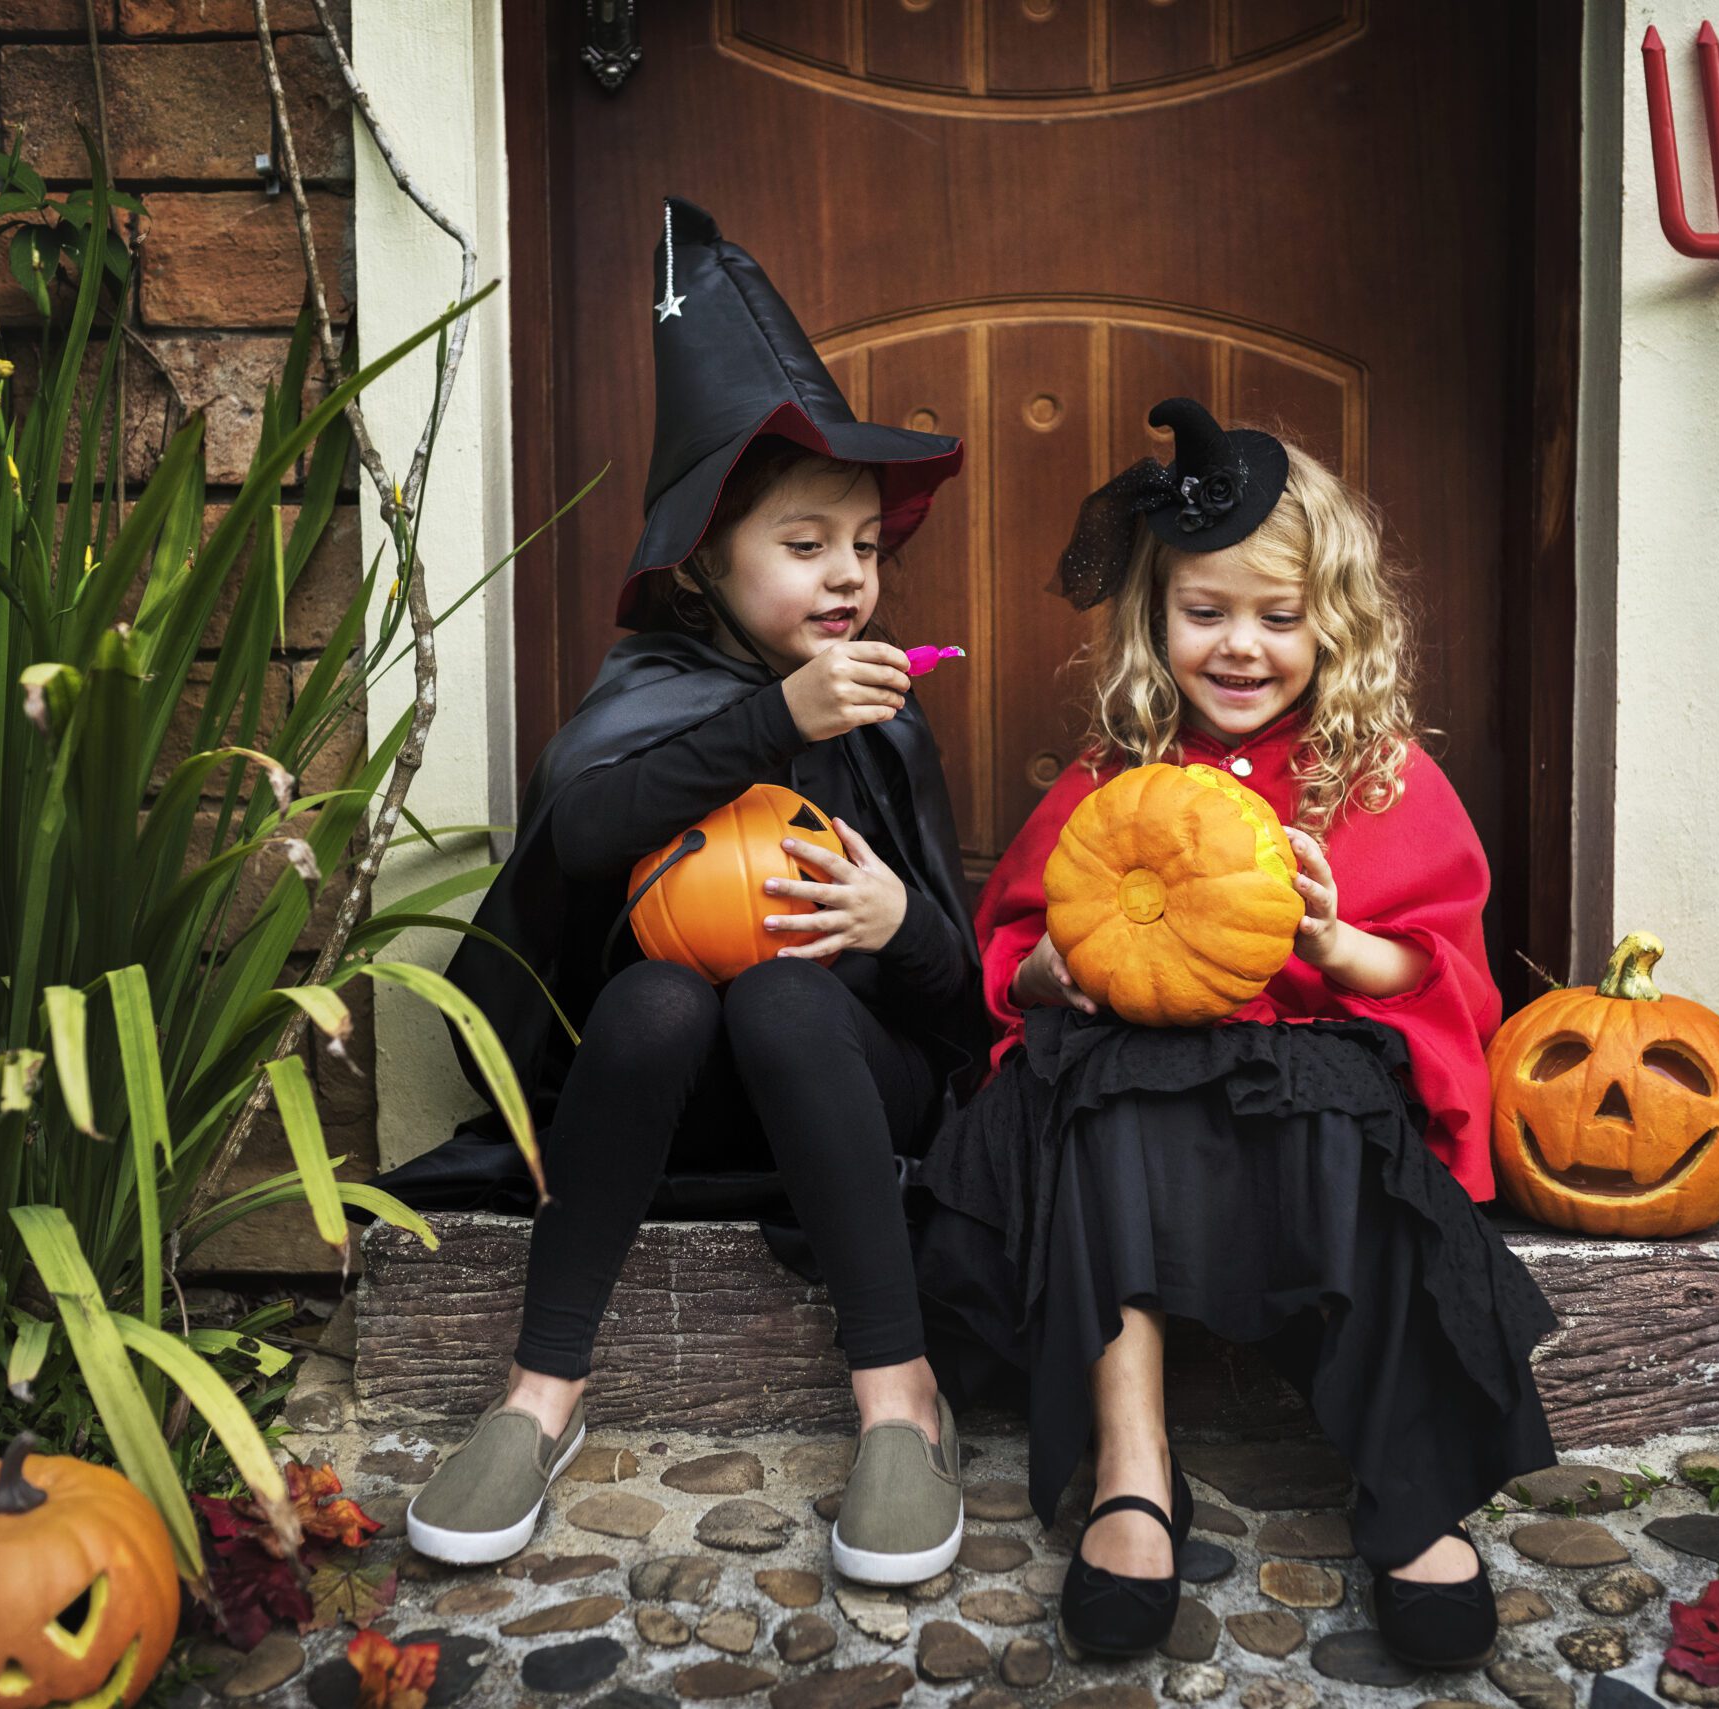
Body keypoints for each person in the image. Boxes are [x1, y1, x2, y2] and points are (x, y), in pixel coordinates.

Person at [381, 199, 984, 1583]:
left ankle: (900, 1397)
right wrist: (778, 720)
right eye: (804, 542)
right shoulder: (654, 695)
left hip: (842, 1077)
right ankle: (544, 1391)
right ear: (707, 557)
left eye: (867, 547)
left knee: (781, 990)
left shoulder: (889, 721)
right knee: (657, 993)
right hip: (666, 1099)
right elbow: (586, 830)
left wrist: (902, 928)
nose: (848, 574)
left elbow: (955, 1007)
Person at [916, 399, 1559, 1664]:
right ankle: (1132, 1462)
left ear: (1337, 620)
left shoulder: (1374, 774)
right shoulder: (1116, 775)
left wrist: (1329, 943)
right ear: (1156, 618)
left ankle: (1406, 1476)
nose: (1242, 647)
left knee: (1343, 1117)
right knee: (1099, 1098)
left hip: (1312, 1072)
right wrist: (1048, 970)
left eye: (1278, 616)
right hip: (1142, 1080)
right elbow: (1017, 952)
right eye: (1206, 613)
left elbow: (1440, 969)